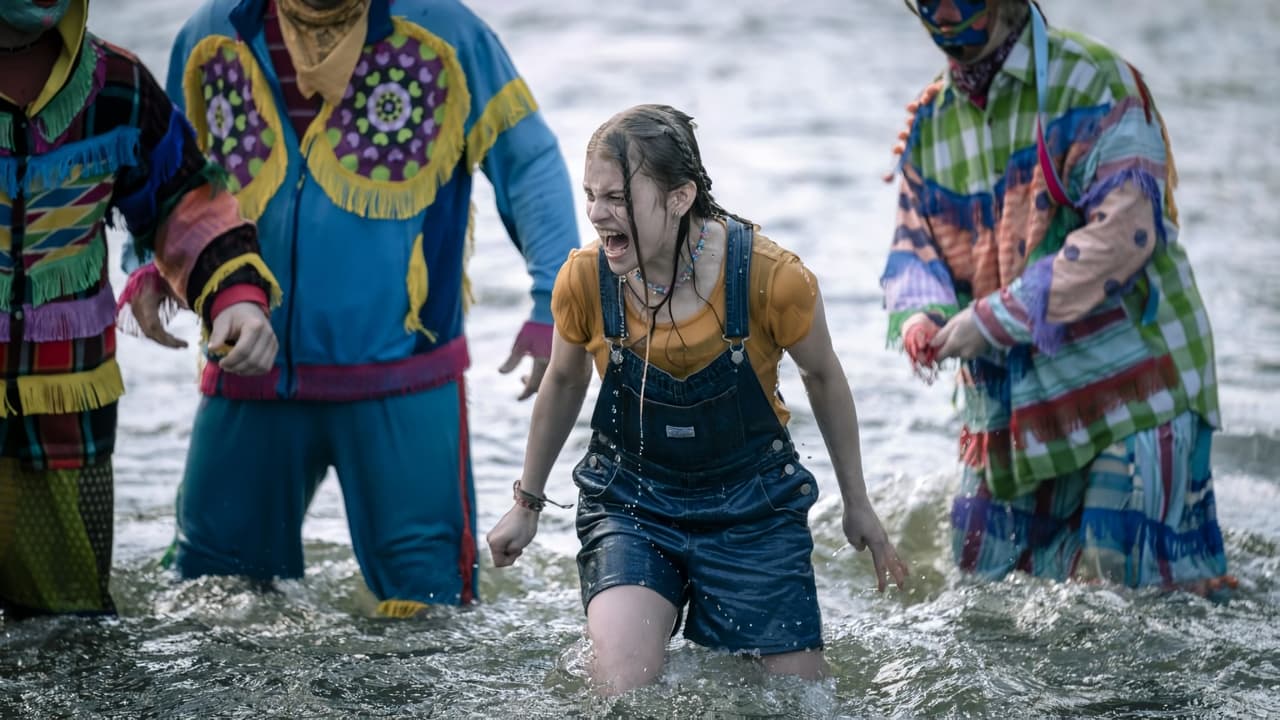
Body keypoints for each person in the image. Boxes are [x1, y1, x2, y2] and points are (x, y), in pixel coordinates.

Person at [135, 0, 579, 617]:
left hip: (403, 380)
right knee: (211, 599)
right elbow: (165, 175)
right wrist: (154, 266)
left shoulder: (447, 32)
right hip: (246, 371)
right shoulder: (209, 37)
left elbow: (528, 162)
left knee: (430, 610)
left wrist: (551, 303)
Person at [486, 104, 907, 694]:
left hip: (754, 509)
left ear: (680, 198)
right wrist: (527, 504)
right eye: (591, 195)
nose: (597, 214)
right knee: (620, 687)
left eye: (616, 198)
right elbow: (562, 381)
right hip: (631, 502)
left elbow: (825, 378)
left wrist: (857, 502)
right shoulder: (584, 278)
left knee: (799, 701)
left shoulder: (772, 277)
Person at [882, 0, 1233, 594]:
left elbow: (1126, 233)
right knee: (983, 598)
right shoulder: (929, 121)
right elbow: (914, 248)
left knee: (1133, 604)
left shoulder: (1092, 81)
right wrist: (922, 314)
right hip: (1010, 414)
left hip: (1132, 388)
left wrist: (992, 320)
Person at [0, 0, 278, 619]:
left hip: (67, 411)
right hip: (67, 397)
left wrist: (235, 298)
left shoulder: (116, 86)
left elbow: (184, 198)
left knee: (66, 635)